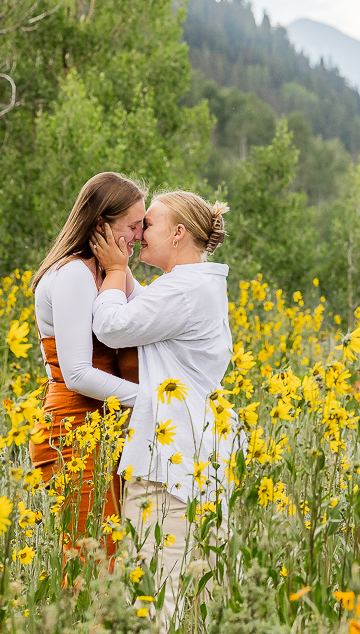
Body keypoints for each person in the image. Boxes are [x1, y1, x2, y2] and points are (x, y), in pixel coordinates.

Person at [90, 190, 233, 622]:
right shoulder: (189, 285)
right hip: (193, 455)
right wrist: (124, 273)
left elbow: (112, 326)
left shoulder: (184, 291)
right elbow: (144, 306)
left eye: (146, 225)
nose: (137, 234)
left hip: (168, 466)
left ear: (177, 233)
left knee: (155, 594)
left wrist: (115, 269)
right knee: (198, 595)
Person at [30, 172, 146, 558]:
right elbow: (78, 373)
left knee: (112, 552)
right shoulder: (74, 273)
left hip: (103, 426)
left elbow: (149, 317)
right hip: (72, 429)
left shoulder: (109, 271)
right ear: (101, 225)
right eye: (132, 226)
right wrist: (149, 399)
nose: (139, 235)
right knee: (91, 559)